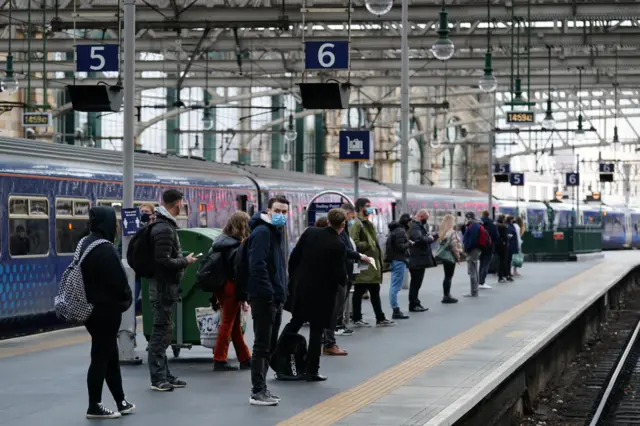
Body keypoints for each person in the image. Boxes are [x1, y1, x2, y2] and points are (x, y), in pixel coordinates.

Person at [81, 207, 134, 419]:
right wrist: (126, 299)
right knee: (100, 357)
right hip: (106, 310)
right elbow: (119, 282)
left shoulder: (84, 243)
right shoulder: (105, 248)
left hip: (91, 309)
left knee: (110, 355)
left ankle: (121, 400)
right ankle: (94, 405)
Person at [283, 208, 348, 381]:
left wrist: (295, 279)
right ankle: (312, 370)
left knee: (295, 322)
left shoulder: (310, 232)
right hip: (323, 295)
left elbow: (294, 258)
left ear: (327, 220)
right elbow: (340, 275)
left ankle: (278, 353)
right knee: (316, 331)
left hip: (302, 289)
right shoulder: (338, 244)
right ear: (342, 225)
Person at [148, 189, 197, 392]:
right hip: (162, 288)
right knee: (160, 333)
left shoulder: (163, 225)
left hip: (165, 288)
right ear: (178, 203)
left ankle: (165, 374)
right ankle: (158, 378)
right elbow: (162, 261)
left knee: (165, 331)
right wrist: (185, 261)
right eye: (181, 204)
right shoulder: (164, 229)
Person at [247, 196, 289, 406]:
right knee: (262, 345)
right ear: (268, 210)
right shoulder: (263, 232)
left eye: (284, 212)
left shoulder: (275, 232)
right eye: (278, 211)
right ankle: (257, 391)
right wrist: (269, 294)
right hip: (264, 298)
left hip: (274, 297)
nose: (282, 215)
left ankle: (263, 388)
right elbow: (257, 266)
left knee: (269, 344)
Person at [212, 211, 252, 372]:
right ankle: (219, 359)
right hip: (232, 286)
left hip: (221, 286)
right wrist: (244, 294)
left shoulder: (220, 242)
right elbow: (239, 271)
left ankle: (245, 357)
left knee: (233, 323)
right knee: (228, 322)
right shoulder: (237, 245)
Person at [349, 198, 395, 327]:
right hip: (365, 264)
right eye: (367, 206)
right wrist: (368, 244)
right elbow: (353, 242)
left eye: (370, 205)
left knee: (372, 291)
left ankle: (378, 317)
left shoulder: (367, 223)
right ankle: (360, 318)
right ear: (359, 208)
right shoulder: (357, 224)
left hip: (371, 264)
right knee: (361, 291)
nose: (370, 208)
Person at [334, 203, 369, 337]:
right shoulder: (340, 231)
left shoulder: (344, 230)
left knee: (342, 300)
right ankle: (337, 326)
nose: (352, 220)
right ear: (346, 214)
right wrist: (359, 255)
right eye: (352, 217)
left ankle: (339, 324)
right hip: (342, 270)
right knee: (339, 301)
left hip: (348, 269)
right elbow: (344, 249)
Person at [407, 209, 437, 312]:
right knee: (416, 283)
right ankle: (414, 304)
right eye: (426, 219)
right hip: (417, 260)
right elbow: (419, 239)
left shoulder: (416, 226)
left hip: (418, 259)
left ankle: (416, 302)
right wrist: (430, 238)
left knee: (416, 283)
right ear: (421, 216)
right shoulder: (415, 227)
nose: (426, 221)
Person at [386, 213, 412, 320]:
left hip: (395, 260)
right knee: (395, 287)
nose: (411, 223)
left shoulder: (395, 230)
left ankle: (396, 309)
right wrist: (409, 243)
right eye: (410, 221)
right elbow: (400, 246)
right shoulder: (400, 231)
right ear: (407, 222)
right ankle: (395, 310)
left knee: (394, 285)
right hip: (399, 260)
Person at [437, 214, 461, 303]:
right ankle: (446, 296)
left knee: (446, 276)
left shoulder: (442, 232)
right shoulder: (452, 232)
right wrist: (458, 257)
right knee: (449, 276)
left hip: (444, 256)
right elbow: (454, 246)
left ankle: (446, 294)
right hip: (450, 256)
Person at [462, 211, 483, 297]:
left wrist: (467, 249)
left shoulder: (474, 226)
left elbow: (472, 240)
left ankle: (474, 292)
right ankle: (475, 290)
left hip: (472, 250)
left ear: (469, 217)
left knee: (472, 271)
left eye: (466, 218)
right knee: (474, 270)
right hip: (475, 250)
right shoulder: (474, 225)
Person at [478, 210, 499, 290]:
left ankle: (479, 280)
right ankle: (482, 282)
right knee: (486, 264)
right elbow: (496, 236)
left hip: (480, 246)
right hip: (489, 246)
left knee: (481, 263)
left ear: (482, 214)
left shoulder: (479, 223)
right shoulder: (492, 223)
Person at [495, 215, 512, 283]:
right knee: (503, 261)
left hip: (497, 245)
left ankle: (503, 275)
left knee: (500, 261)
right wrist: (508, 237)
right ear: (503, 220)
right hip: (503, 245)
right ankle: (502, 276)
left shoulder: (496, 226)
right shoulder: (503, 227)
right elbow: (504, 236)